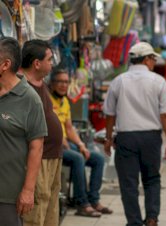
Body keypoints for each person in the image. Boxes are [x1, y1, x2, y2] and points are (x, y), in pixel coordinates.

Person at [103, 42, 166, 226]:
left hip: (126, 138)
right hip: (151, 138)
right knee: (152, 179)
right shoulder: (158, 81)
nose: (154, 63)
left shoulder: (119, 81)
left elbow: (110, 114)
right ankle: (152, 218)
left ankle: (134, 222)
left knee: (128, 184)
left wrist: (107, 138)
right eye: (153, 59)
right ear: (146, 60)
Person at [49, 67, 111, 217]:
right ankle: (81, 203)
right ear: (52, 84)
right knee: (78, 159)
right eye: (60, 82)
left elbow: (69, 128)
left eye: (66, 82)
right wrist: (64, 142)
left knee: (98, 159)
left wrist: (82, 145)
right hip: (53, 145)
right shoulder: (47, 102)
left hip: (67, 144)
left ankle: (94, 200)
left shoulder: (65, 102)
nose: (63, 85)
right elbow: (50, 127)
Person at [0, 37, 47, 226]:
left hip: (7, 194)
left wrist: (28, 191)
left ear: (5, 64)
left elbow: (37, 148)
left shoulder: (29, 99)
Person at [20, 40, 64, 226]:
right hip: (40, 157)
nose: (52, 63)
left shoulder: (40, 82)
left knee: (51, 208)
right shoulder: (22, 87)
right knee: (37, 206)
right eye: (49, 59)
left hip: (54, 156)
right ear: (36, 63)